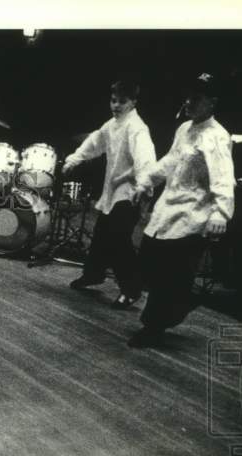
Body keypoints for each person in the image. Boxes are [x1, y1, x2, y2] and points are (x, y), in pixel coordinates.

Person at [129, 73, 235, 348]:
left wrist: (220, 213)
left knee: (169, 273)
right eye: (188, 97)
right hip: (168, 207)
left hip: (193, 212)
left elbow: (224, 177)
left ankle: (152, 327)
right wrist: (146, 181)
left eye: (196, 98)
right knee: (149, 261)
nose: (188, 102)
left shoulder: (217, 137)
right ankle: (182, 301)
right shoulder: (184, 129)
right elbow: (169, 161)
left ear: (212, 102)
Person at [63, 80, 157, 308]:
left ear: (133, 102)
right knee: (102, 233)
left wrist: (142, 185)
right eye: (113, 100)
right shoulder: (112, 125)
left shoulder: (137, 128)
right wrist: (74, 159)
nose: (116, 105)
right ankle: (93, 274)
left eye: (122, 101)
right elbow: (94, 142)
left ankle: (132, 289)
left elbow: (146, 160)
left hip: (131, 192)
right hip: (113, 190)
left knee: (118, 239)